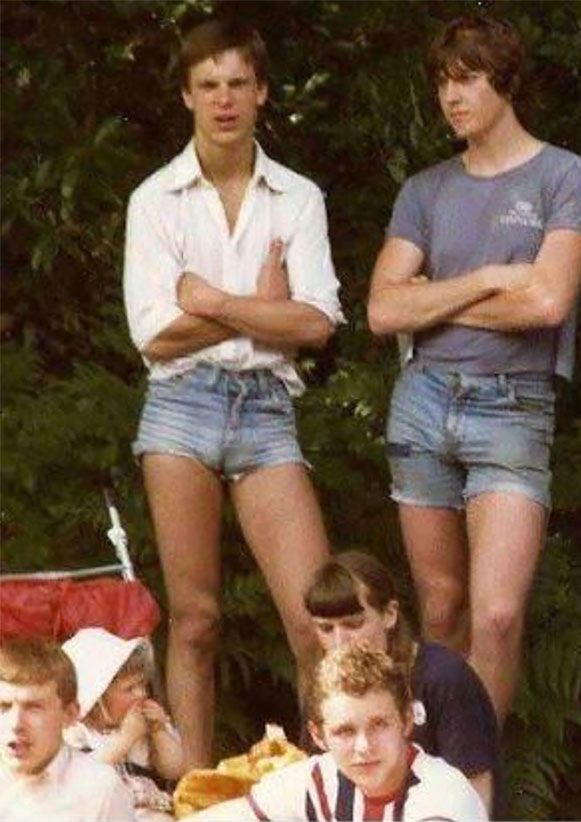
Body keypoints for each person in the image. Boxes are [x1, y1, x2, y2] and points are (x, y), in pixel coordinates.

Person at [367, 15, 581, 724]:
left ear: (505, 80)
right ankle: (435, 768)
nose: (451, 97)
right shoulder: (425, 189)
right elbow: (381, 309)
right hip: (424, 401)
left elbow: (548, 302)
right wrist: (491, 278)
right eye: (442, 82)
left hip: (513, 406)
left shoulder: (564, 175)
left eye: (467, 79)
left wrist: (433, 302)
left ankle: (478, 774)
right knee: (440, 607)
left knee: (497, 615)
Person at [123, 19, 342, 769]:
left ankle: (331, 787)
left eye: (238, 83)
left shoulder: (297, 197)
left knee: (318, 620)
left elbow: (315, 323)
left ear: (262, 93)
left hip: (266, 410)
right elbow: (155, 336)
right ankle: (193, 797)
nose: (224, 100)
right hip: (180, 407)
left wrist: (214, 301)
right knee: (194, 621)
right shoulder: (155, 200)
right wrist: (261, 308)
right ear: (187, 95)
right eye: (208, 85)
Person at [189, 645, 487, 821]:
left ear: (407, 721)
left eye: (379, 725)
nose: (364, 746)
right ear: (318, 736)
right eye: (345, 731)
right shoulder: (319, 779)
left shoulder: (440, 795)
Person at [304, 551, 499, 816]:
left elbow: (474, 789)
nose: (340, 642)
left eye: (354, 624)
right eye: (326, 628)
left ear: (390, 614)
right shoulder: (325, 687)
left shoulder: (443, 677)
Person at [0, 637, 135, 822]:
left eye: (34, 708)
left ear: (70, 714)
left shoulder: (100, 790)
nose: (15, 724)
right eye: (3, 707)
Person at [62, 627, 183, 820]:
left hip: (151, 810)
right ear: (97, 698)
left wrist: (159, 731)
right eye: (130, 689)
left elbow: (175, 769)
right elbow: (82, 781)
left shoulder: (144, 725)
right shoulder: (77, 734)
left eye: (142, 684)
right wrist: (125, 738)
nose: (141, 694)